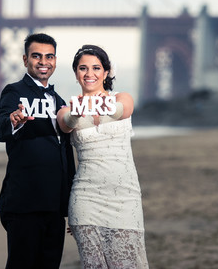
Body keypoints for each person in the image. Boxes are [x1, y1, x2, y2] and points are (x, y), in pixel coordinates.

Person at [57, 44, 149, 268]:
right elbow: (66, 124)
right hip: (86, 200)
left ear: (106, 72)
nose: (89, 74)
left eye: (96, 68)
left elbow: (123, 111)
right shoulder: (66, 108)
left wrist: (96, 104)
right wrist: (77, 112)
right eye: (83, 68)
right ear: (76, 73)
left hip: (125, 198)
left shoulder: (122, 98)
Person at [0, 33, 76, 269]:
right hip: (24, 203)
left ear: (55, 61)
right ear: (25, 59)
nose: (43, 62)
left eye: (49, 56)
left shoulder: (61, 102)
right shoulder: (14, 91)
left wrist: (71, 203)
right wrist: (13, 120)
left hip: (55, 205)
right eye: (36, 56)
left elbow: (66, 154)